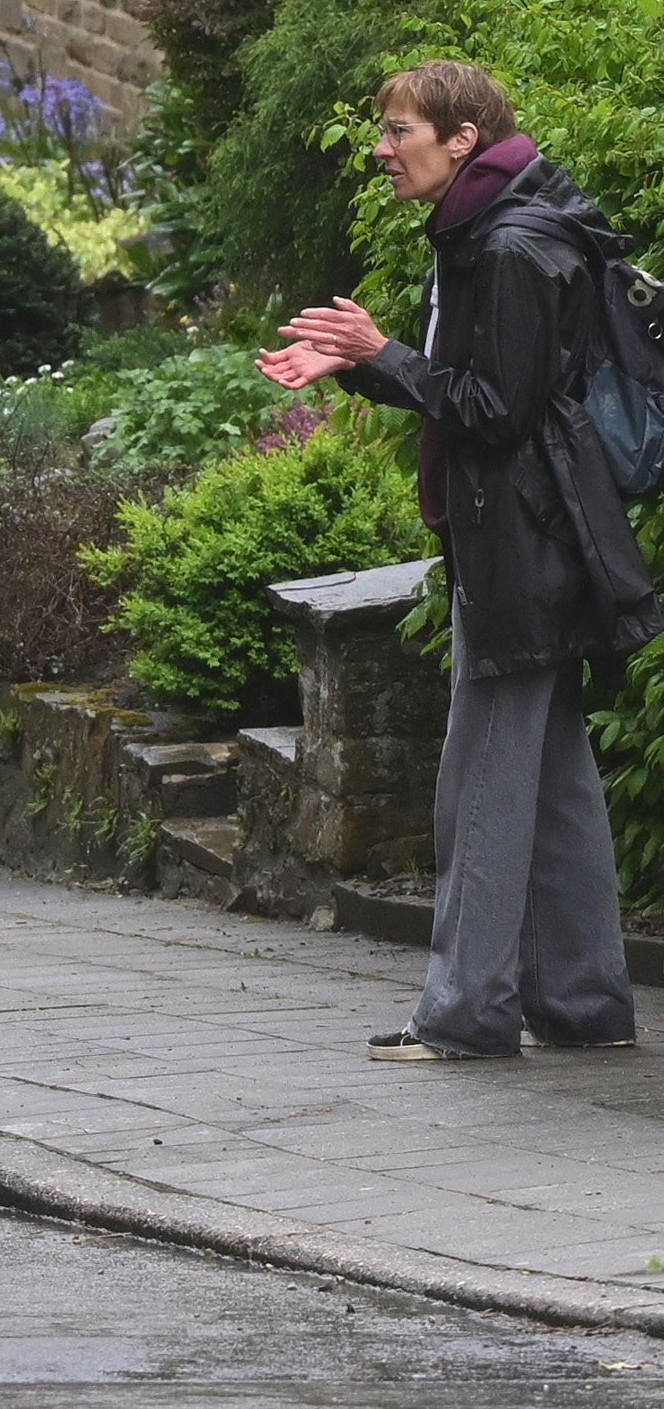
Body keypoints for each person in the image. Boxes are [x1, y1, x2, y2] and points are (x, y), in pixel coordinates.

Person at [263, 60, 657, 1062]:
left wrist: (381, 349)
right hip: (524, 534)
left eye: (398, 132)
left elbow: (496, 409)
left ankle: (464, 1014)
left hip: (522, 545)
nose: (381, 151)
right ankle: (579, 1005)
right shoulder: (484, 231)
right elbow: (467, 388)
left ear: (461, 139)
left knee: (476, 782)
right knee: (555, 782)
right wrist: (358, 364)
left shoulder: (514, 248)